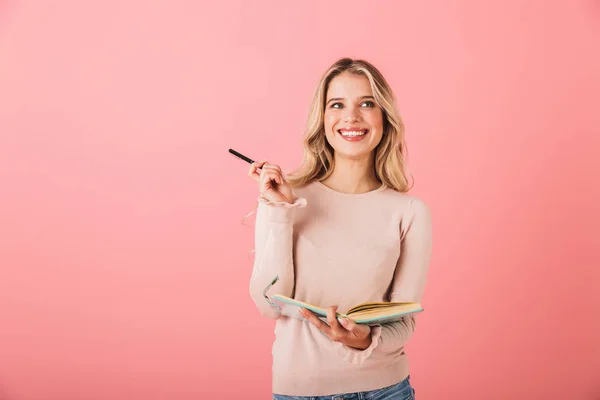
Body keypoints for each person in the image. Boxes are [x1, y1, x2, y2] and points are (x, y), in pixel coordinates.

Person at [247, 58, 432, 400]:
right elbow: (268, 304)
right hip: (298, 392)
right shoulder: (285, 198)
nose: (351, 117)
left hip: (385, 391)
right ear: (323, 119)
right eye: (337, 105)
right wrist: (279, 210)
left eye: (366, 103)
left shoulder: (410, 212)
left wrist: (365, 340)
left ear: (384, 119)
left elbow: (404, 321)